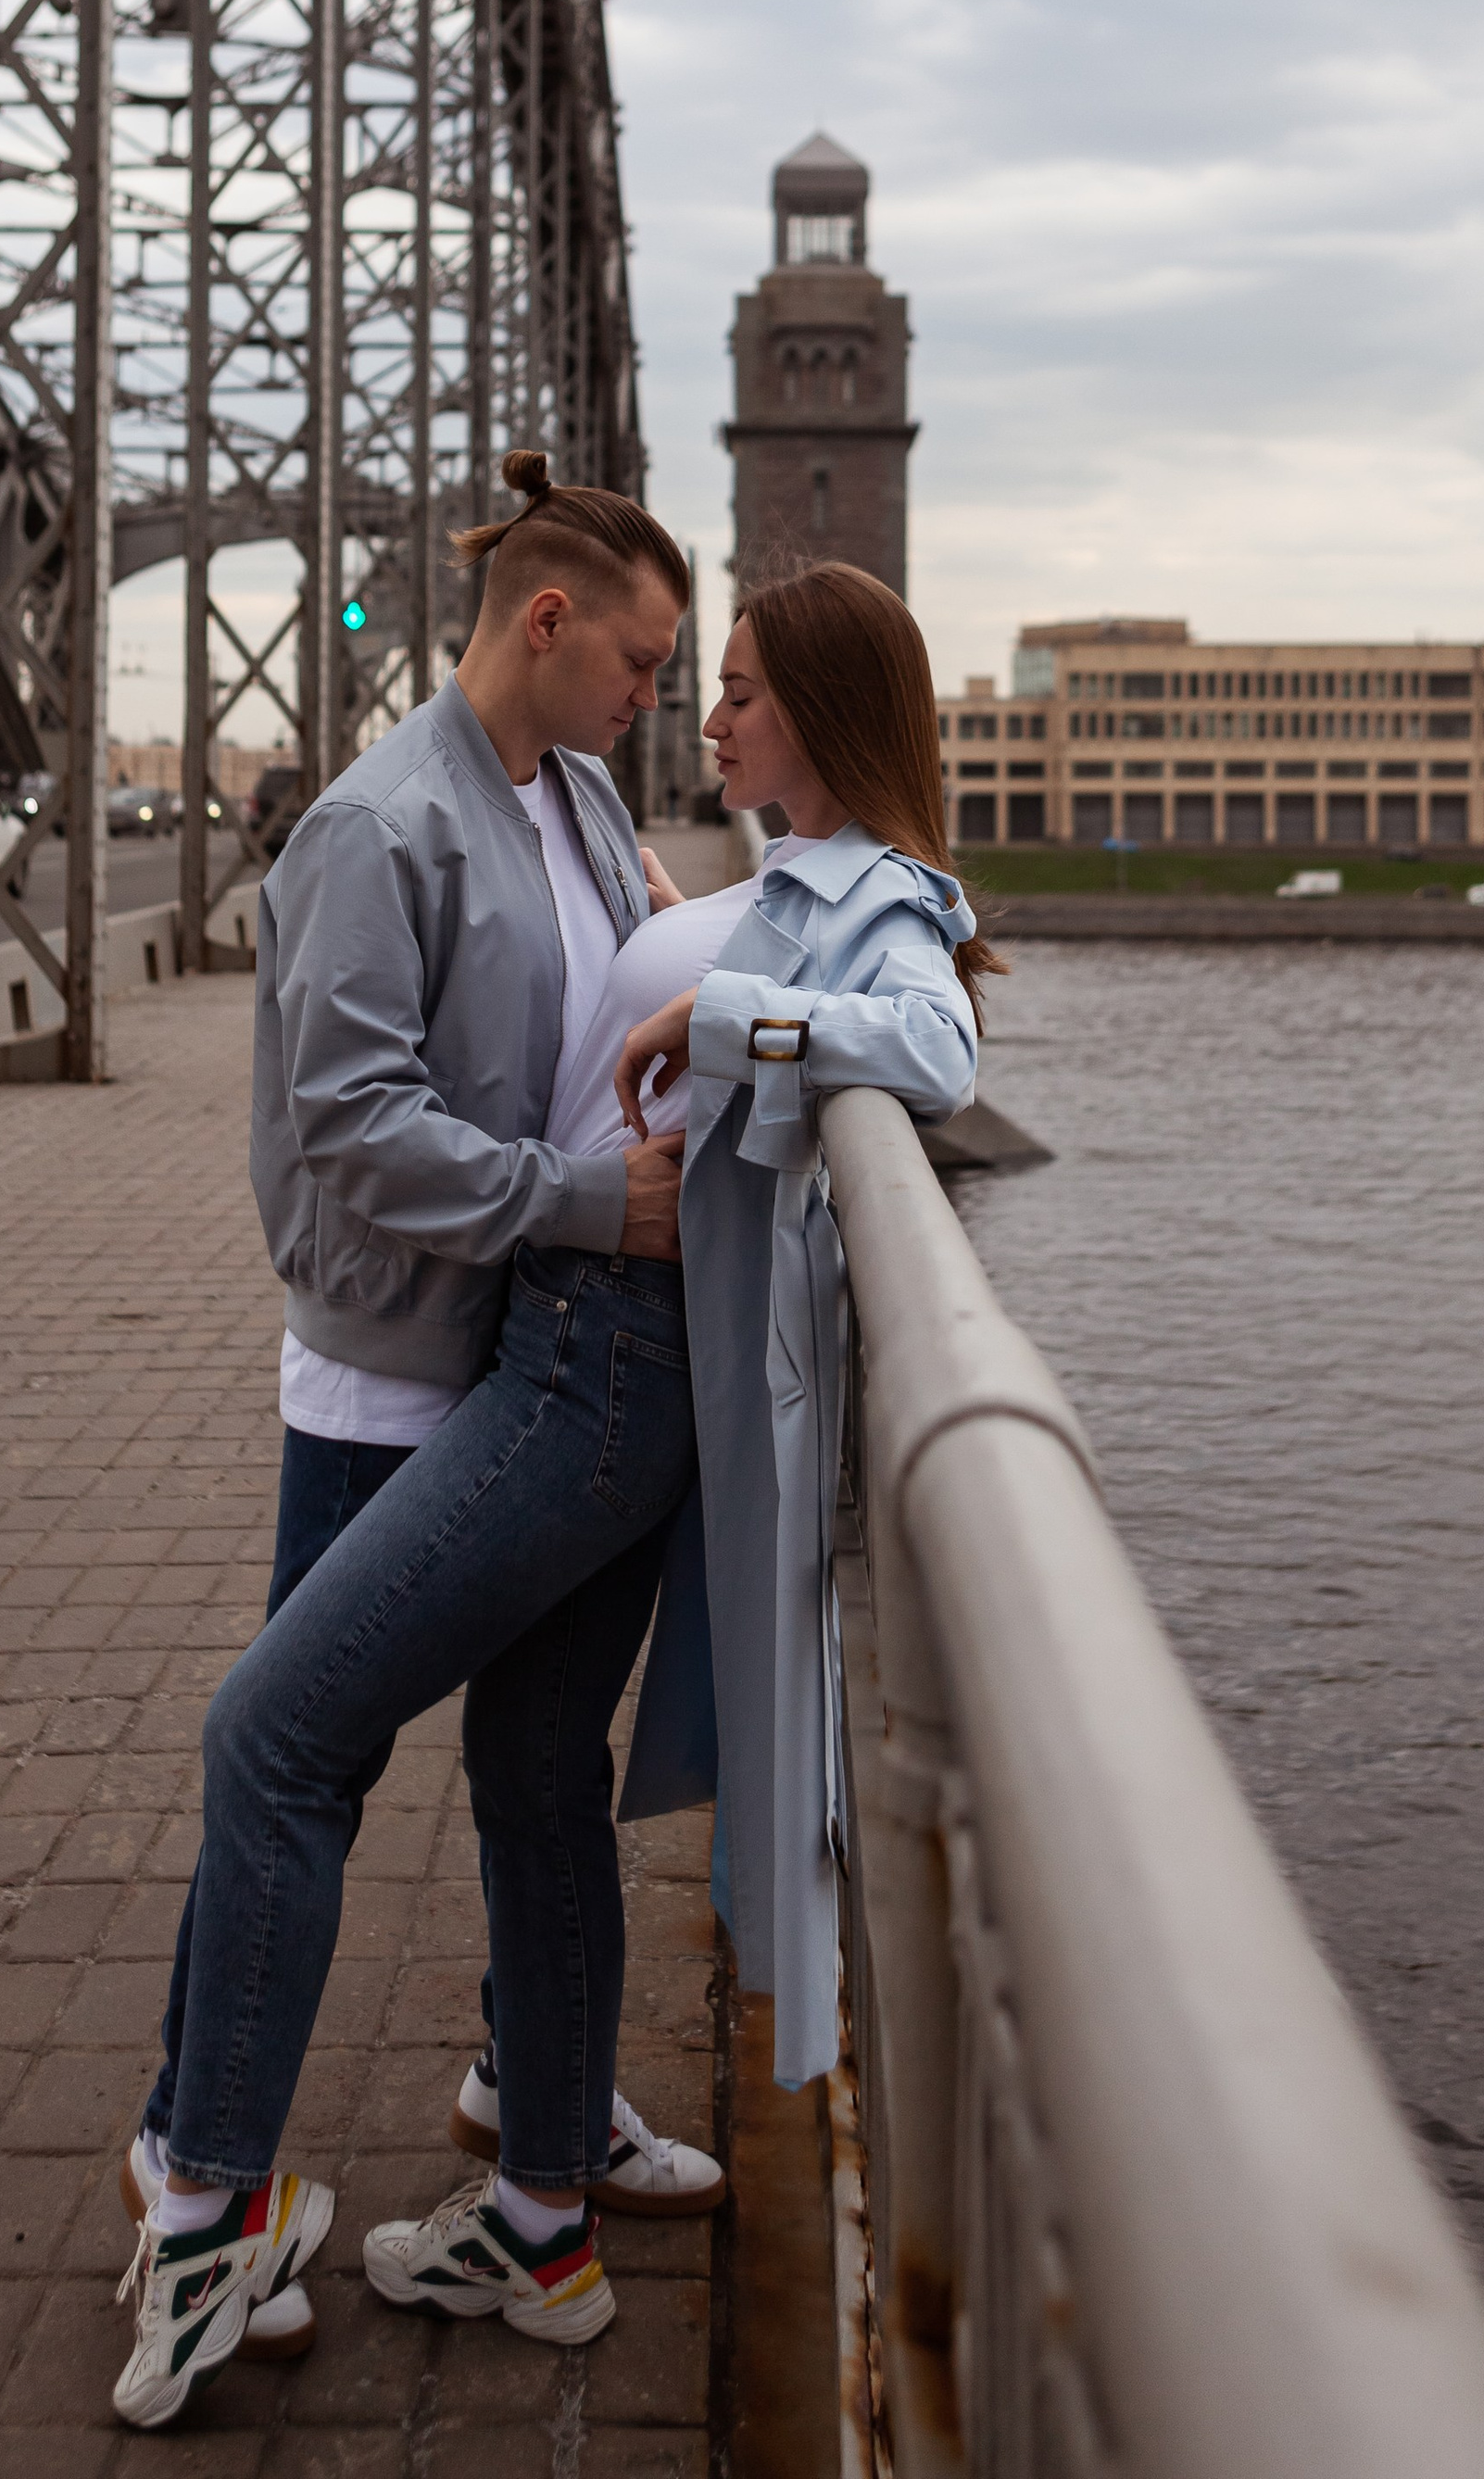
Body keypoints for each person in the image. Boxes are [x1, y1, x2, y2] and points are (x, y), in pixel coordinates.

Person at [112, 455, 718, 2428]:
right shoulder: (377, 828)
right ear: (546, 622)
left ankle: (537, 2108)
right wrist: (590, 1203)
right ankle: (184, 2157)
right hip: (397, 1373)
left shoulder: (580, 795)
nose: (655, 696)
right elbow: (356, 1127)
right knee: (304, 1752)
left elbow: (615, 992)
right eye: (640, 660)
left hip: (520, 1357)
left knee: (499, 1768)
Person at [611, 563, 1000, 2085]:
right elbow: (785, 954)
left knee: (729, 1703)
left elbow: (938, 1049)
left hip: (723, 1357)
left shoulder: (885, 895)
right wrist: (685, 936)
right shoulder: (808, 877)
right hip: (688, 1348)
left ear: (825, 713)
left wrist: (715, 1013)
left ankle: (783, 2031)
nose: (710, 721)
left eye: (742, 693)